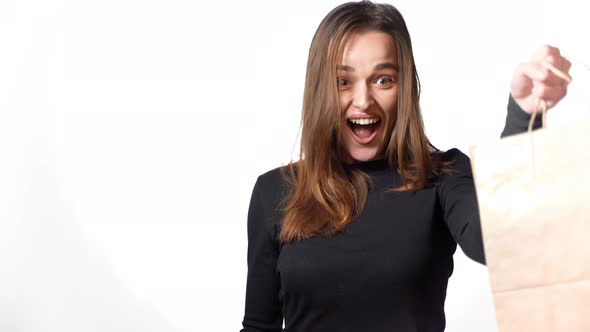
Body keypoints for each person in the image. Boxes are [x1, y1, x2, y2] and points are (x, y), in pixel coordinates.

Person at [240, 1, 571, 331]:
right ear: (320, 89)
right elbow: (259, 326)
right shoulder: (275, 191)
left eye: (383, 80)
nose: (363, 100)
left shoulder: (444, 176)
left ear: (405, 88)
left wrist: (523, 117)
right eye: (343, 82)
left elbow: (502, 243)